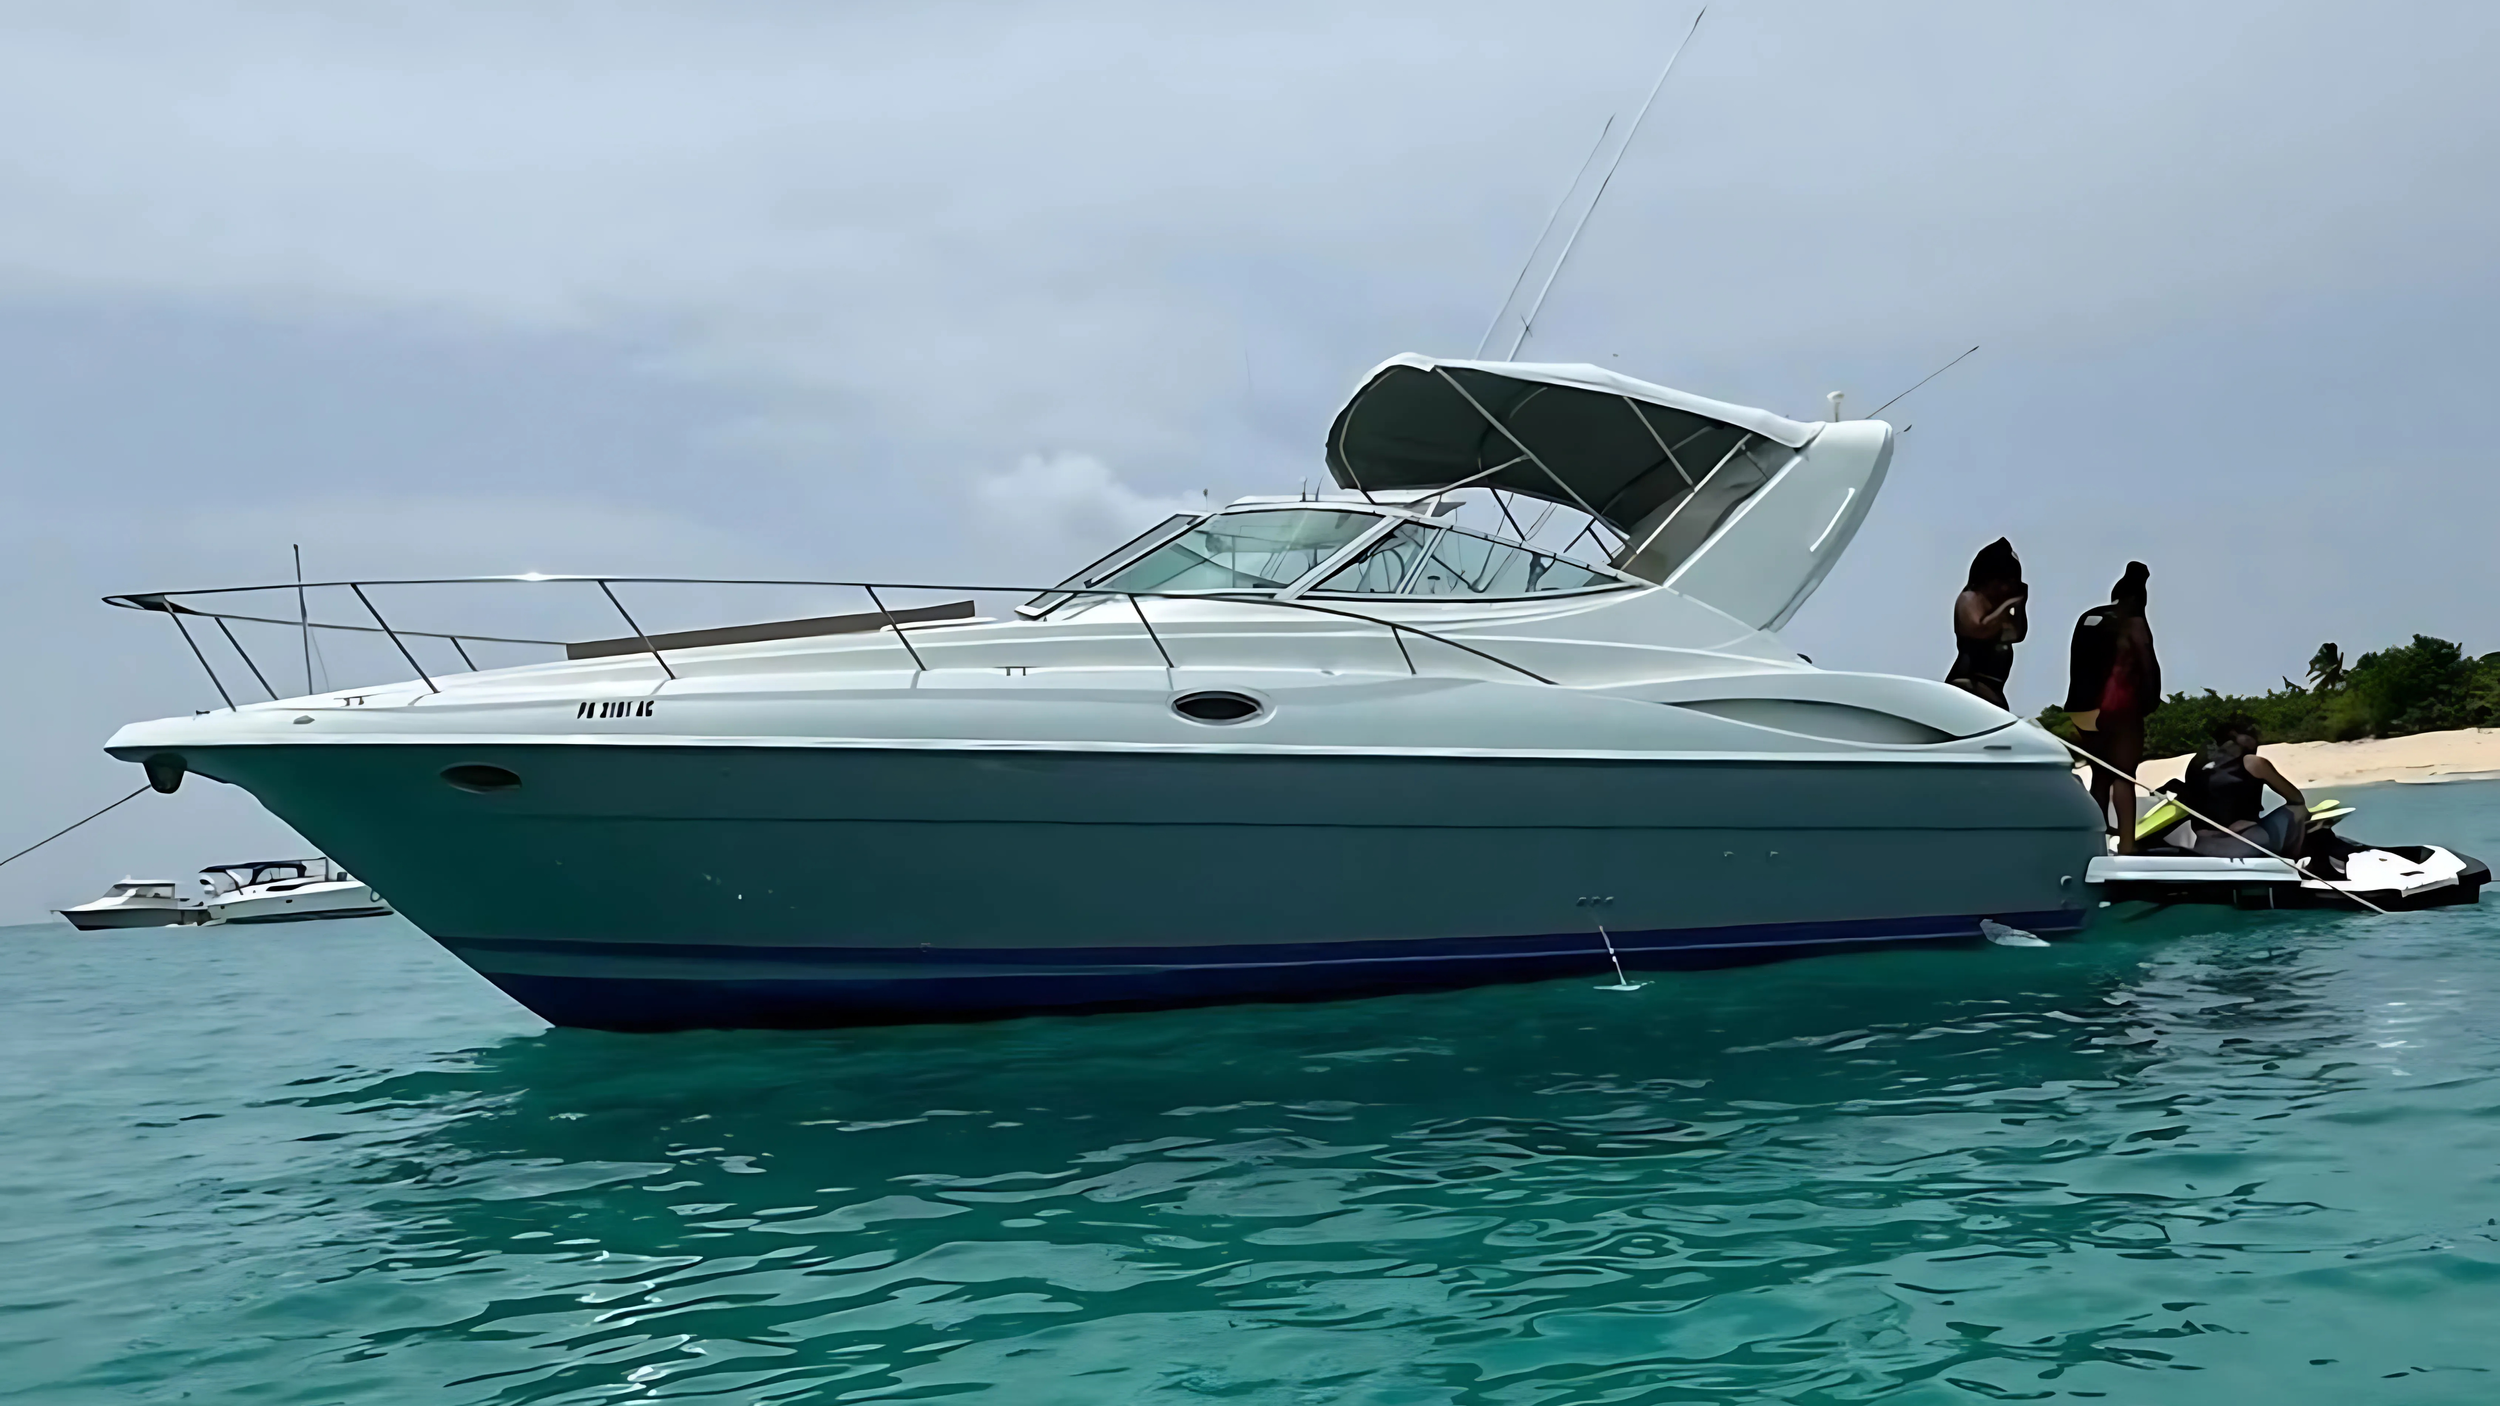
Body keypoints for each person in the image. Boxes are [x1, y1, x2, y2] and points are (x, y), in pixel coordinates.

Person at [2080, 562, 2159, 851]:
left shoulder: (2093, 618)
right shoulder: (2134, 621)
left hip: (2087, 709)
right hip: (2121, 705)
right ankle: (2127, 844)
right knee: (2124, 775)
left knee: (2100, 776)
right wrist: (2150, 701)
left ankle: (2093, 841)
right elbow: (2147, 663)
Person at [2179, 715, 2308, 858]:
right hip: (2246, 844)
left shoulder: (2196, 762)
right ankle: (2294, 860)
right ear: (2234, 734)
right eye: (2252, 733)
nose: (2257, 738)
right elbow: (2296, 798)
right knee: (2298, 810)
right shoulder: (2252, 762)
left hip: (2205, 844)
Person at [1946, 538, 2027, 707]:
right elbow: (1978, 629)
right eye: (2005, 582)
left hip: (1993, 686)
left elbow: (2017, 634)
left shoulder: (2000, 609)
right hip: (1969, 681)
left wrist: (2020, 606)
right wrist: (2007, 605)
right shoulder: (1970, 598)